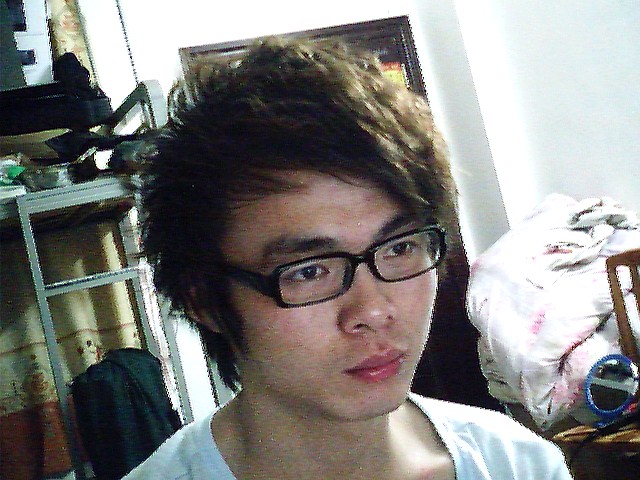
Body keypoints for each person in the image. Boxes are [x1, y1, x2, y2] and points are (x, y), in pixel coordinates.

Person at [124, 38, 573, 479]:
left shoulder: (519, 464)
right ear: (204, 301)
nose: (374, 312)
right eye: (309, 272)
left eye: (399, 248)